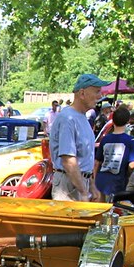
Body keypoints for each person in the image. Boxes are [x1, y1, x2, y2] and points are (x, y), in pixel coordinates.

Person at [49, 73, 109, 201]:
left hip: (79, 182)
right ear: (82, 94)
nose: (100, 96)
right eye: (97, 92)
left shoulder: (82, 117)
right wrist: (83, 192)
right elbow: (68, 161)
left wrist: (91, 185)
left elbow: (86, 159)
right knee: (67, 221)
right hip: (68, 185)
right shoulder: (67, 119)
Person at [95, 106, 134, 202]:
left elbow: (97, 162)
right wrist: (127, 175)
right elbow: (132, 165)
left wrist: (94, 179)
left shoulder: (105, 139)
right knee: (115, 209)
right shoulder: (131, 141)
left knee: (102, 209)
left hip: (101, 179)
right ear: (128, 121)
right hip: (118, 182)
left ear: (113, 121)